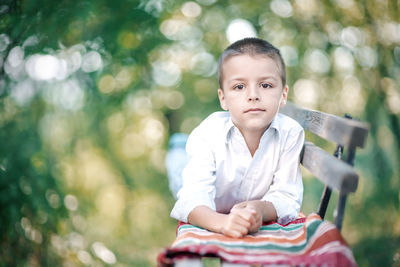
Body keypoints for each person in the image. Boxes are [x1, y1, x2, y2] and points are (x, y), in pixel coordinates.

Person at [168, 37, 304, 238]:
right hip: (204, 186)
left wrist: (260, 208)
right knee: (179, 176)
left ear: (283, 95)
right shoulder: (208, 133)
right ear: (223, 98)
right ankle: (177, 148)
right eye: (239, 87)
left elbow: (287, 196)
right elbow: (192, 198)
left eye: (265, 85)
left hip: (233, 197)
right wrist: (223, 223)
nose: (253, 95)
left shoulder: (290, 133)